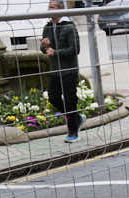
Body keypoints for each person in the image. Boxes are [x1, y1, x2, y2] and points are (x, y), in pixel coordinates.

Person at [40, 0, 85, 142]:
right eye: (48, 7)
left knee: (70, 100)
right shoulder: (47, 27)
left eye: (52, 7)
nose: (49, 9)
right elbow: (45, 50)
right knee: (53, 97)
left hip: (68, 70)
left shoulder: (69, 26)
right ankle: (76, 117)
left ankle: (73, 132)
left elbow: (75, 49)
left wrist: (55, 52)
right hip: (55, 70)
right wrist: (44, 46)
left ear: (60, 9)